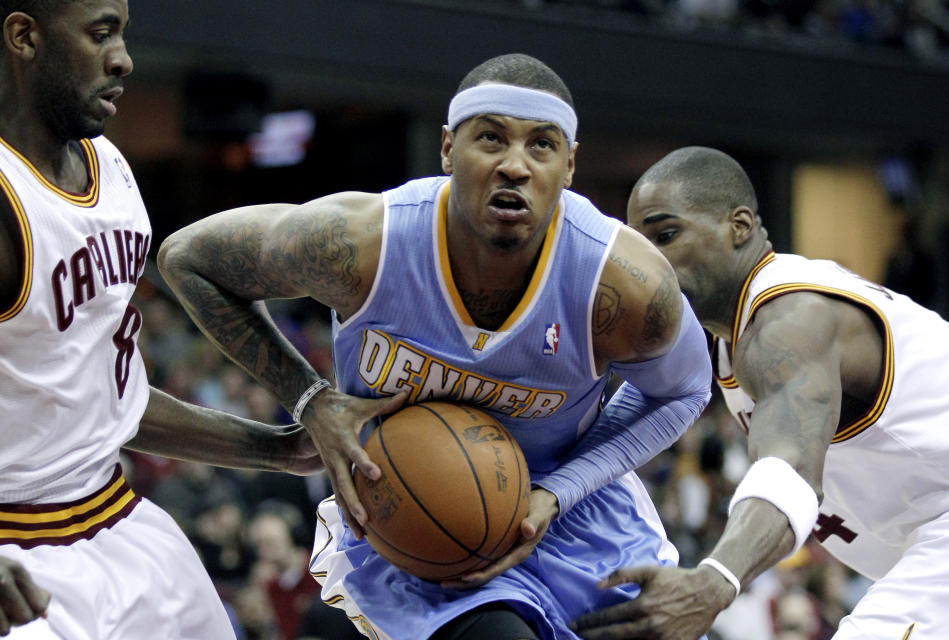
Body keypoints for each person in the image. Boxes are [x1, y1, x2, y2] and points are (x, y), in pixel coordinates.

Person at [158, 53, 713, 639]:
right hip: (419, 518)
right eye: (491, 139)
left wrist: (559, 490)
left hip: (567, 510)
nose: (515, 166)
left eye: (542, 146)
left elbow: (684, 391)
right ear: (448, 148)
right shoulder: (362, 244)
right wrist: (311, 402)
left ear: (570, 164)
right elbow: (188, 261)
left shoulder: (622, 282)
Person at [0, 1, 323, 637]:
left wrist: (279, 450)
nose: (122, 58)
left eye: (121, 32)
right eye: (101, 33)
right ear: (24, 36)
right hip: (19, 560)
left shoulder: (112, 169)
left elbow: (113, 403)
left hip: (123, 522)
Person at [571, 146, 949, 639]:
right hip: (928, 540)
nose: (652, 263)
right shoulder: (723, 342)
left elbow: (792, 468)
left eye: (666, 235)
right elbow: (623, 419)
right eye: (640, 247)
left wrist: (715, 580)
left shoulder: (788, 319)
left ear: (740, 226)